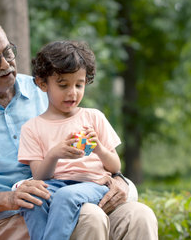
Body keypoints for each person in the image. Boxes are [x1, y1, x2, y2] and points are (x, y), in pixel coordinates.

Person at [0, 18, 158, 240]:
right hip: (2, 222)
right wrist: (11, 199)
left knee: (138, 216)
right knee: (88, 217)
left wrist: (118, 180)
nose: (6, 64)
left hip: (66, 201)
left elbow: (95, 152)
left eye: (8, 52)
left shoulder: (43, 88)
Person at [18, 40, 123, 240]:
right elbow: (39, 177)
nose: (72, 92)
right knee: (31, 200)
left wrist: (99, 149)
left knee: (66, 197)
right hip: (56, 185)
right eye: (63, 85)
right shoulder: (32, 128)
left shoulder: (93, 117)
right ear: (42, 84)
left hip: (93, 183)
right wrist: (54, 154)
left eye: (79, 84)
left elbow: (116, 166)